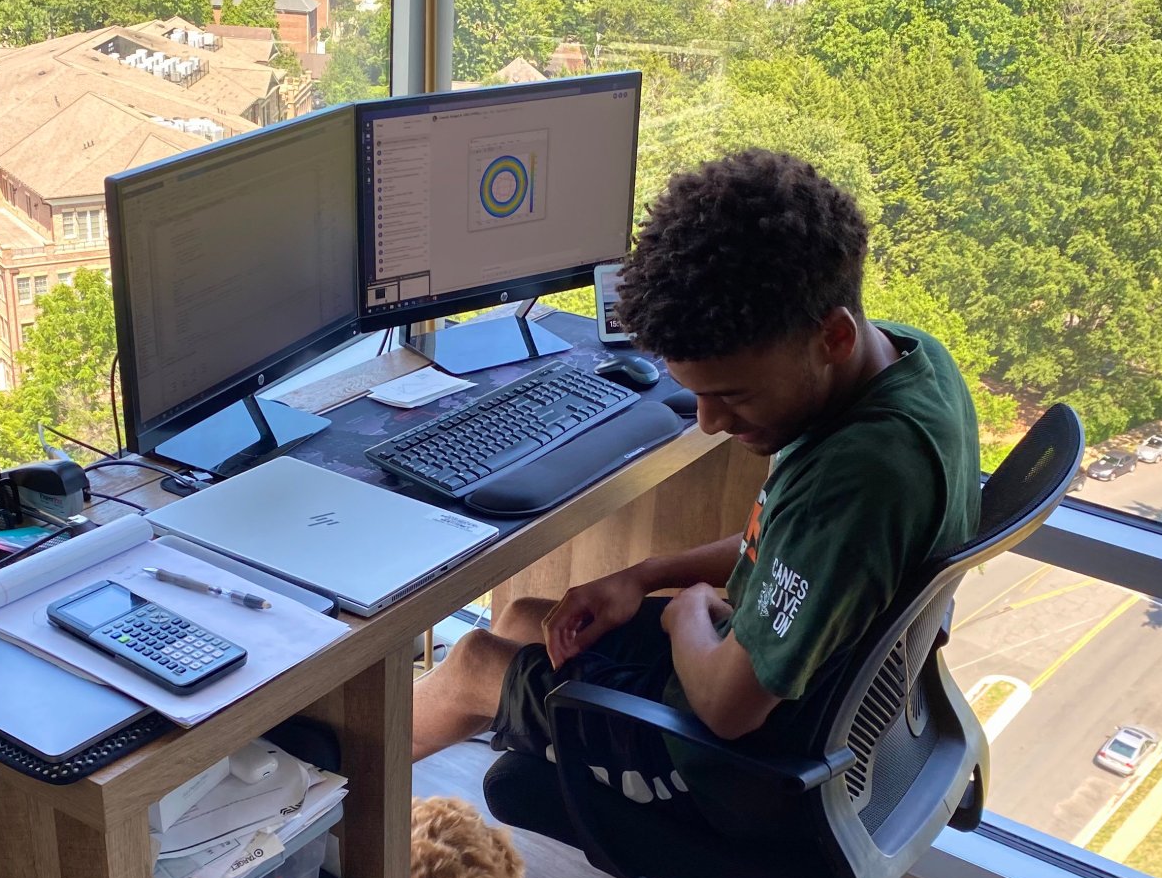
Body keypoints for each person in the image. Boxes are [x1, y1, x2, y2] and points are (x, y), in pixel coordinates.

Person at [410, 149, 983, 823]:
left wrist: (685, 608)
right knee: (524, 621)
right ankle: (358, 804)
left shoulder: (859, 478)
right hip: (805, 697)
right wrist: (646, 574)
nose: (710, 423)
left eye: (732, 395)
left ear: (831, 336)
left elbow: (728, 709)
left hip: (719, 764)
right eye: (698, 395)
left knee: (478, 658)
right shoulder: (910, 361)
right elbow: (786, 545)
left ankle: (333, 818)